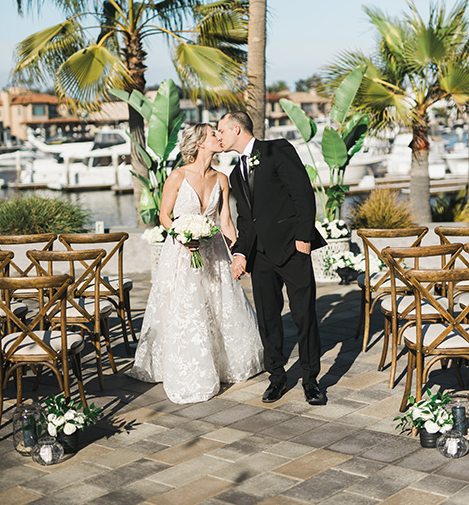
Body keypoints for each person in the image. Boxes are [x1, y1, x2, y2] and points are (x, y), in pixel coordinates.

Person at [129, 123, 263, 404]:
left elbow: (225, 221)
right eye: (214, 134)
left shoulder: (222, 178)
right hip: (181, 252)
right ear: (201, 143)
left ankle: (224, 363)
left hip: (214, 252)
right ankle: (191, 369)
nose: (219, 137)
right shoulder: (176, 177)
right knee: (187, 310)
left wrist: (239, 253)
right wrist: (180, 234)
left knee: (218, 306)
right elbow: (164, 215)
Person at [217, 111, 326, 405]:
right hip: (260, 257)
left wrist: (303, 237)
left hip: (292, 248)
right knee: (268, 319)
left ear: (236, 129)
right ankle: (277, 378)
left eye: (221, 131)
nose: (219, 137)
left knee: (305, 316)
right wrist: (241, 252)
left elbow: (303, 193)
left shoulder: (278, 149)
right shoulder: (234, 173)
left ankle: (311, 380)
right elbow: (245, 219)